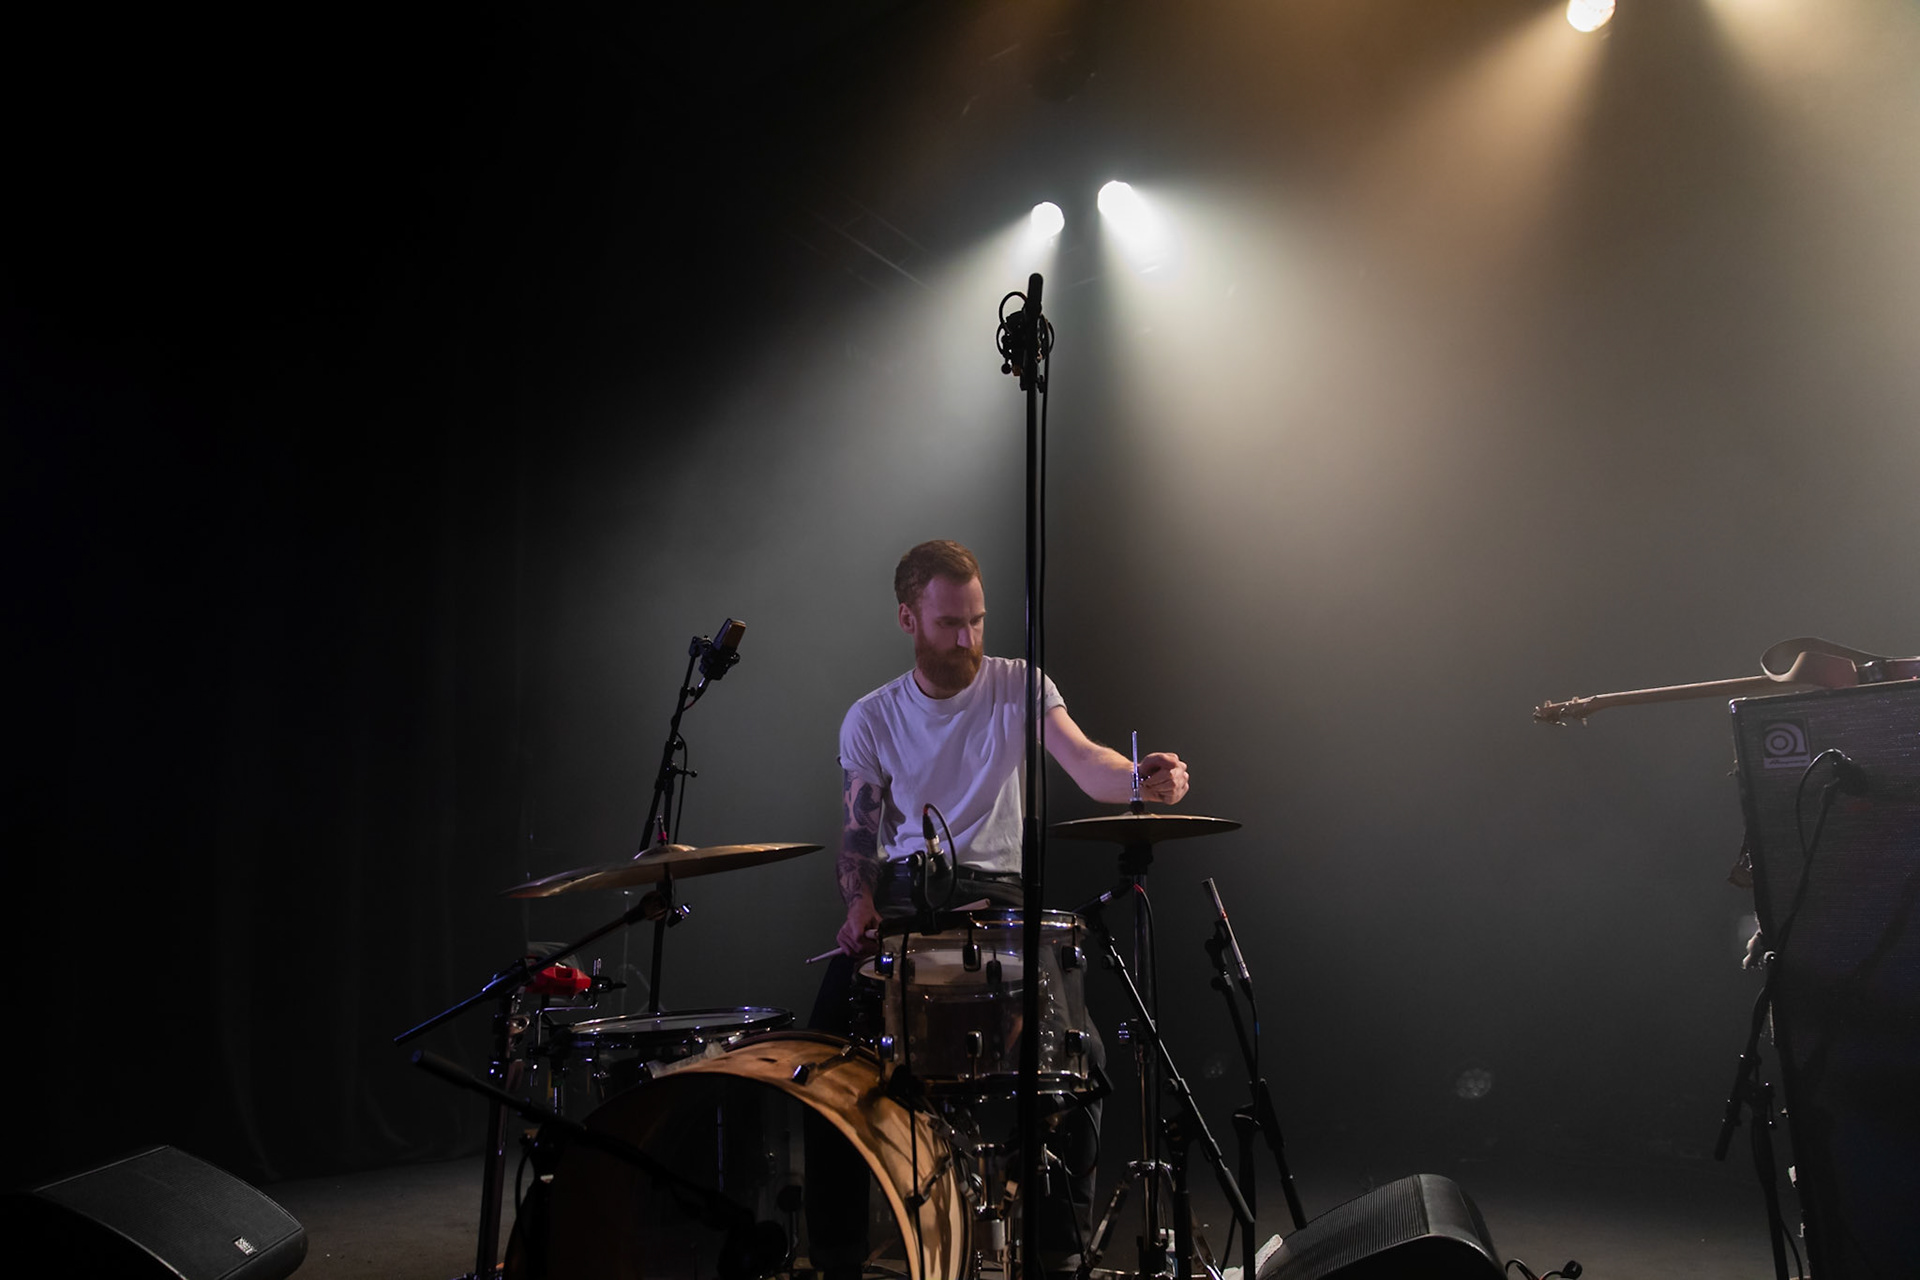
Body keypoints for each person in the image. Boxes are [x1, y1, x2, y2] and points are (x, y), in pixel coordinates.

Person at [806, 538, 1190, 1280]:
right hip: (907, 905)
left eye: (978, 621)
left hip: (1003, 903)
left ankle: (1056, 1255)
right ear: (907, 618)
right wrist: (857, 905)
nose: (968, 641)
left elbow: (1087, 762)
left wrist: (1141, 779)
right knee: (825, 1070)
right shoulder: (872, 717)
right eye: (951, 624)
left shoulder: (1021, 686)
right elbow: (857, 835)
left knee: (1083, 1060)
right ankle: (837, 1261)